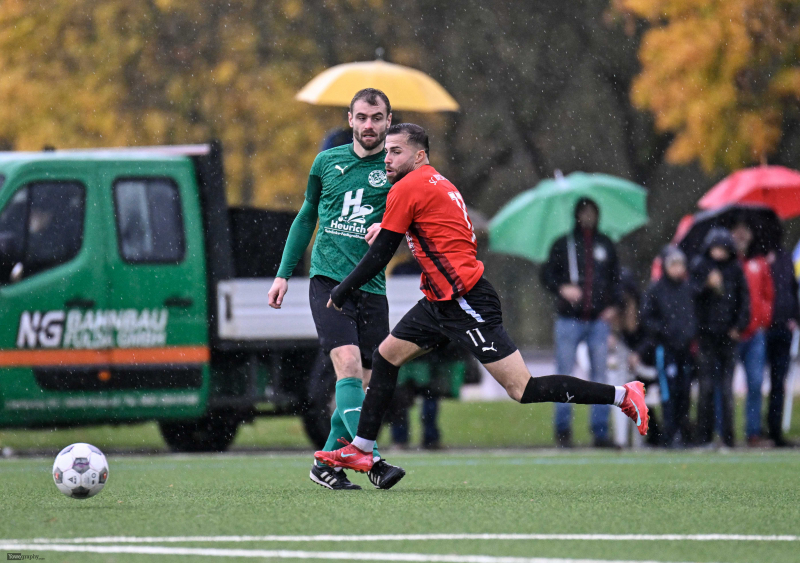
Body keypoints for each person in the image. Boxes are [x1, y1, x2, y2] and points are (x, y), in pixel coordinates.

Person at [313, 123, 649, 475]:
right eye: (386, 152)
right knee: (385, 357)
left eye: (396, 151)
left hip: (464, 299)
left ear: (420, 154)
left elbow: (382, 254)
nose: (387, 159)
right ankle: (363, 449)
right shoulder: (436, 182)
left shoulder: (407, 187)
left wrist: (343, 288)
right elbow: (434, 225)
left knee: (522, 388)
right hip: (440, 299)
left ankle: (624, 395)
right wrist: (391, 227)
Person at [268, 88, 405, 490]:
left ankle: (325, 463)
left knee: (362, 383)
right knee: (345, 365)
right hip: (328, 282)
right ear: (349, 119)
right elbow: (307, 214)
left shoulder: (397, 169)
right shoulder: (327, 162)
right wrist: (283, 272)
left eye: (376, 118)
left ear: (388, 120)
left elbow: (413, 221)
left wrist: (389, 231)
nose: (368, 125)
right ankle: (371, 458)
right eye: (361, 117)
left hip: (372, 286)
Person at [540, 198, 622, 448]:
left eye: (592, 212)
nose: (588, 217)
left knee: (600, 375)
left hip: (598, 321)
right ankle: (562, 430)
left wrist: (613, 306)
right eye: (584, 212)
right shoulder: (562, 244)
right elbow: (546, 275)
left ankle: (599, 431)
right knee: (564, 374)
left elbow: (616, 278)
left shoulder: (605, 245)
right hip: (569, 320)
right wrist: (562, 288)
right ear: (577, 214)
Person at [690, 229, 749, 448]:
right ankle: (704, 437)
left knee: (726, 389)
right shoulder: (700, 266)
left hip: (728, 336)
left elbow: (744, 300)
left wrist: (738, 327)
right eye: (716, 248)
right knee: (705, 388)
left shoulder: (735, 270)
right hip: (706, 337)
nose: (720, 253)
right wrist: (708, 285)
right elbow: (692, 298)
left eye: (724, 249)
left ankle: (728, 437)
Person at [640, 246, 696, 447]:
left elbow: (693, 317)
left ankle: (683, 431)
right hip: (667, 349)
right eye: (673, 264)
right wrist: (665, 332)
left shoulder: (688, 288)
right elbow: (646, 318)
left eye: (680, 264)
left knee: (684, 391)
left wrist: (689, 334)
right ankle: (669, 433)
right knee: (668, 391)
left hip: (685, 350)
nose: (677, 268)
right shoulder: (656, 289)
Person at [730, 221, 774, 447]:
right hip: (733, 334)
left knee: (756, 383)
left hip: (754, 333)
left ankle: (753, 432)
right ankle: (726, 433)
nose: (741, 234)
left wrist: (762, 320)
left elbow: (767, 295)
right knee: (724, 386)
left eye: (745, 230)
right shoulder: (728, 265)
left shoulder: (759, 263)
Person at [765, 245, 799, 447]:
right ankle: (752, 432)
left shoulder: (786, 259)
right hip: (761, 329)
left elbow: (792, 291)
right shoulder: (758, 259)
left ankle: (774, 430)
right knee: (754, 384)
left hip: (783, 329)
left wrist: (794, 316)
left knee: (779, 383)